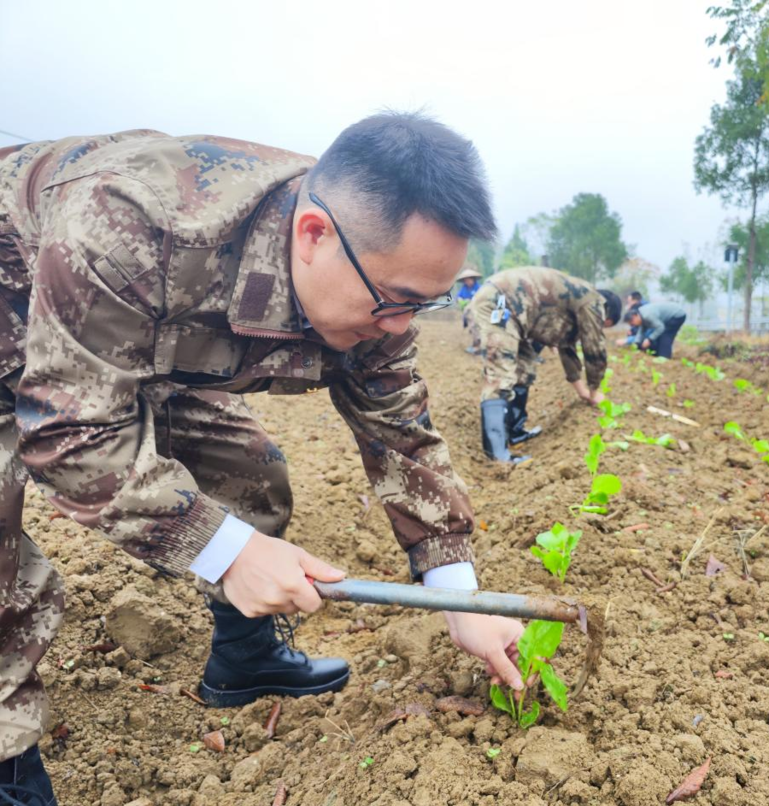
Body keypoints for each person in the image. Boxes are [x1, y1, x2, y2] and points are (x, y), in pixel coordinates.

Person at [0, 114, 525, 803]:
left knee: (251, 472)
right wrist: (223, 550)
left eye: (422, 306)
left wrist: (460, 597)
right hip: (24, 312)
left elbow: (400, 430)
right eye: (395, 303)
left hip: (124, 332)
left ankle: (244, 662)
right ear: (313, 236)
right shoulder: (131, 220)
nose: (399, 327)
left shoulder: (375, 274)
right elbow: (69, 426)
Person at [470, 267, 621, 463]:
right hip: (500, 302)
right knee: (501, 374)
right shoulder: (592, 301)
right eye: (604, 325)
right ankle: (497, 456)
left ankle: (514, 432)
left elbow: (567, 348)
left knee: (525, 369)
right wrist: (594, 391)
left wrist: (583, 392)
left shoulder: (578, 300)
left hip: (517, 313)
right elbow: (594, 348)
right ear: (607, 317)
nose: (601, 326)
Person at [455, 265, 483, 354]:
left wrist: (471, 301)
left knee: (477, 328)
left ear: (473, 279)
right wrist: (460, 300)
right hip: (468, 314)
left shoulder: (479, 288)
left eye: (468, 280)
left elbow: (482, 299)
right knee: (472, 329)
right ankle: (476, 345)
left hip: (479, 313)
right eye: (465, 280)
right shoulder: (464, 288)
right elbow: (458, 297)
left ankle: (478, 346)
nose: (467, 282)